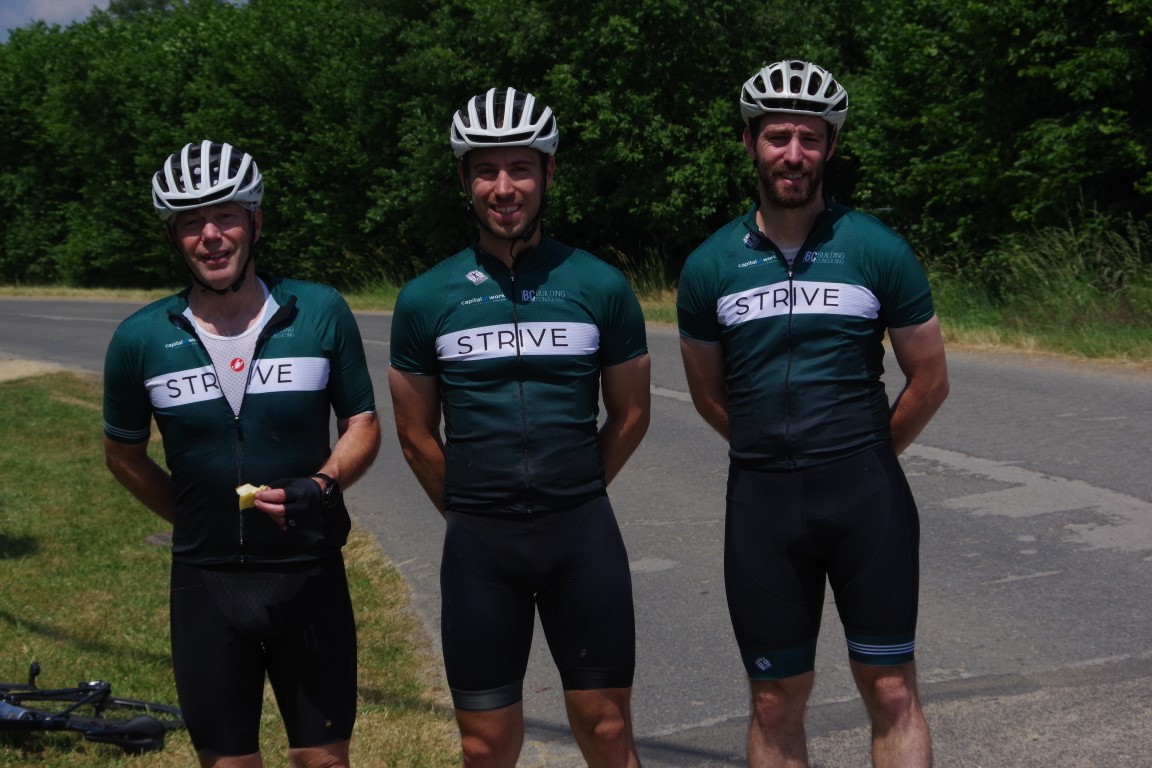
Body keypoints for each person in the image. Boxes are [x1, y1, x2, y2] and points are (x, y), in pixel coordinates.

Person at [677, 61, 950, 767]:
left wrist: (864, 451)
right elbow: (708, 394)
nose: (793, 154)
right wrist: (773, 449)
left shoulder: (875, 248)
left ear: (830, 147)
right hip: (763, 502)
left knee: (892, 689)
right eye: (778, 137)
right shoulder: (710, 265)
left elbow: (929, 379)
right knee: (774, 700)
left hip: (866, 496)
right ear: (750, 143)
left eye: (809, 138)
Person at [388, 87, 650, 768]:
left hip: (580, 533)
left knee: (609, 730)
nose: (503, 188)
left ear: (548, 173)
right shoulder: (426, 298)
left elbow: (631, 413)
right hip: (480, 544)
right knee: (483, 745)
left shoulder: (599, 284)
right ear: (464, 181)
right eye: (486, 171)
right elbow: (415, 435)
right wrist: (474, 507)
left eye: (520, 169)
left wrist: (574, 486)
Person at [103, 140, 381, 768]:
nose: (210, 236)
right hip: (206, 584)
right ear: (172, 236)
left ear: (256, 221)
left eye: (225, 216)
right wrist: (194, 515)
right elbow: (123, 455)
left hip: (309, 576)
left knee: (324, 762)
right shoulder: (140, 338)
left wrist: (323, 484)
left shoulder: (319, 311)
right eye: (190, 223)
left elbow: (362, 423)